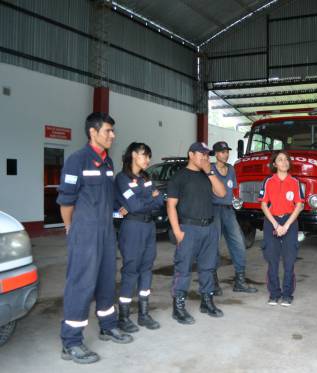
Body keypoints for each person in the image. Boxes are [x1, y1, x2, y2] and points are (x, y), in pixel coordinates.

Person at [57, 112, 132, 365]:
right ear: (93, 132)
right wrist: (71, 228)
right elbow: (66, 202)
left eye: (113, 131)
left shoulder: (108, 162)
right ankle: (71, 342)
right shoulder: (76, 161)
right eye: (108, 131)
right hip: (85, 231)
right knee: (81, 282)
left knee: (106, 279)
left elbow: (107, 196)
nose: (112, 135)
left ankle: (107, 325)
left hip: (106, 230)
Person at [167, 142, 226, 324]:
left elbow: (222, 193)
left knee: (208, 268)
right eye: (201, 154)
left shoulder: (207, 175)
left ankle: (206, 301)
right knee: (183, 269)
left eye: (207, 155)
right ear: (191, 155)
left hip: (209, 227)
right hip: (188, 229)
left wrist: (209, 172)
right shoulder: (179, 177)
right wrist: (177, 231)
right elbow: (171, 206)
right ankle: (178, 307)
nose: (205, 158)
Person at [114, 142, 163, 333]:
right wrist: (151, 198)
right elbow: (134, 206)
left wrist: (150, 199)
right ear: (134, 155)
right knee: (131, 269)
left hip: (149, 226)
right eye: (145, 155)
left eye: (149, 156)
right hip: (132, 227)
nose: (148, 160)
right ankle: (123, 316)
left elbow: (160, 201)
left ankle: (144, 314)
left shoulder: (146, 178)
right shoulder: (122, 178)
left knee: (147, 267)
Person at [210, 141, 257, 295]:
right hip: (214, 210)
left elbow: (233, 190)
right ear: (216, 154)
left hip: (229, 210)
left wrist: (237, 200)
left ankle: (240, 281)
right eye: (222, 152)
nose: (225, 154)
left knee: (239, 242)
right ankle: (213, 282)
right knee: (212, 245)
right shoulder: (209, 169)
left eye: (227, 152)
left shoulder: (231, 169)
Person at [259, 150, 304, 306]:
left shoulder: (295, 182)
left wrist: (286, 225)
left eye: (286, 160)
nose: (284, 162)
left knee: (289, 260)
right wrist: (276, 224)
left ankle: (287, 294)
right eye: (280, 159)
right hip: (272, 221)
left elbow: (299, 205)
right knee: (272, 259)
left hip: (289, 221)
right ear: (274, 164)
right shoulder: (268, 182)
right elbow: (264, 205)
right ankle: (274, 293)